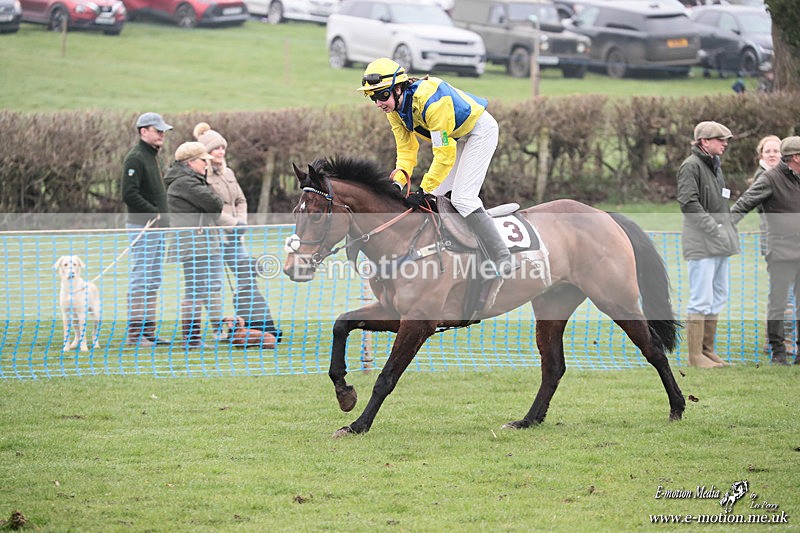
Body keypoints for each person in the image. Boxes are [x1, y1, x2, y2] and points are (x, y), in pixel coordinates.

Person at [356, 57, 512, 278]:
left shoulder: (431, 101)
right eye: (373, 97)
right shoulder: (394, 112)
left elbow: (444, 154)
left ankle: (501, 255)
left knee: (462, 198)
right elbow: (407, 150)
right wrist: (398, 183)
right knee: (436, 199)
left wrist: (423, 189)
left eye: (382, 95)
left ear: (399, 88)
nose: (379, 103)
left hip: (480, 132)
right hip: (458, 138)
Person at [731, 136, 800, 365]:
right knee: (778, 304)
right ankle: (778, 352)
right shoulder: (770, 178)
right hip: (781, 252)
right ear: (796, 158)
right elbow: (743, 204)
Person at [676, 121, 740, 368]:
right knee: (701, 298)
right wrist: (714, 229)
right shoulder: (690, 166)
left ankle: (707, 351)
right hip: (702, 243)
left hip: (719, 243)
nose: (725, 143)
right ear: (705, 141)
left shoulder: (714, 165)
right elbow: (689, 203)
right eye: (720, 139)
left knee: (718, 295)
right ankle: (695, 357)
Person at [164, 141, 224, 349]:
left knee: (197, 290)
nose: (206, 165)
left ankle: (193, 338)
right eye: (202, 161)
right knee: (194, 291)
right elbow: (215, 204)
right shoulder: (185, 183)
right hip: (194, 244)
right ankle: (191, 339)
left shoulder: (188, 180)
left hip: (198, 242)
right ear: (190, 163)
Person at [121, 112, 172, 347]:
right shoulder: (135, 158)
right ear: (143, 131)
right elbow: (129, 194)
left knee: (153, 280)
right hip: (143, 226)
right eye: (157, 130)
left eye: (163, 130)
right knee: (141, 279)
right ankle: (135, 335)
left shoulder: (152, 156)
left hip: (157, 229)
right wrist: (154, 212)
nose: (162, 134)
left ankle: (148, 332)